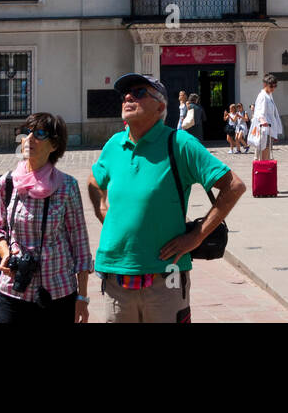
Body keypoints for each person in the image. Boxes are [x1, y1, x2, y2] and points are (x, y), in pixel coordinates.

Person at [88, 73, 245, 323]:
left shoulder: (179, 143)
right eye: (125, 94)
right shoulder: (114, 144)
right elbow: (94, 182)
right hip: (116, 276)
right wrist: (103, 213)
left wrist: (197, 236)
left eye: (139, 92)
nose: (128, 97)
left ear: (160, 107)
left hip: (166, 277)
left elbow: (233, 186)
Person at [0, 112, 94, 323]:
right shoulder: (7, 184)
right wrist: (5, 252)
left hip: (58, 292)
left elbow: (80, 246)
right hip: (13, 292)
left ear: (54, 145)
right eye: (26, 132)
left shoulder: (66, 186)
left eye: (39, 133)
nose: (29, 139)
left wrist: (82, 296)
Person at [250, 75, 283, 161]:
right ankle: (263, 172)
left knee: (266, 152)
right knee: (264, 153)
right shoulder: (263, 96)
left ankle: (265, 171)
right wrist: (262, 120)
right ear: (265, 84)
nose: (273, 88)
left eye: (275, 86)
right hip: (264, 129)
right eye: (271, 86)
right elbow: (259, 111)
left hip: (268, 129)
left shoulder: (269, 95)